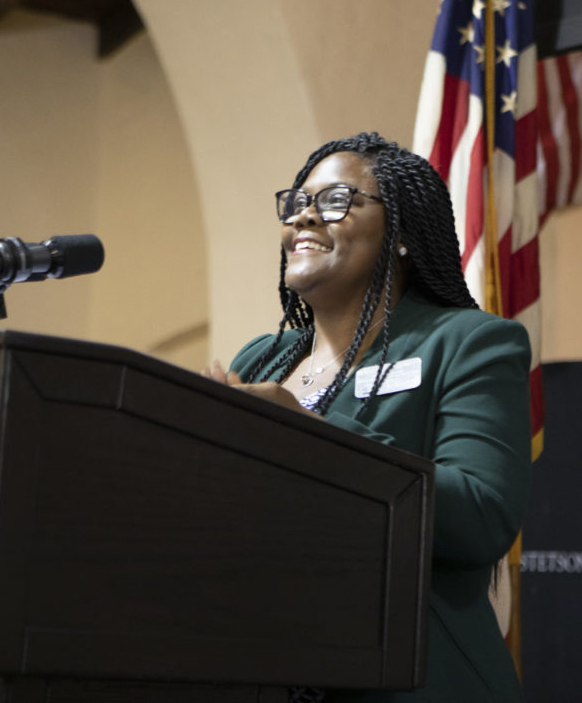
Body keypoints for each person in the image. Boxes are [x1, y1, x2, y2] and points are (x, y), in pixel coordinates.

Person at [206, 132, 531, 702]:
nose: (304, 216)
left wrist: (308, 434)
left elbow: (482, 513)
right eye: (297, 202)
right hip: (268, 667)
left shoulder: (467, 342)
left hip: (416, 678)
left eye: (334, 201)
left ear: (402, 233)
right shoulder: (263, 358)